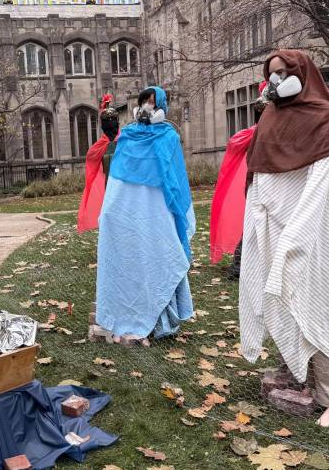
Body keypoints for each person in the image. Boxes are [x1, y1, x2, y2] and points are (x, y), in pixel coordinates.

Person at [239, 50, 329, 427]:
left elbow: (320, 183)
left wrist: (296, 234)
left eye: (284, 72)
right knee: (279, 301)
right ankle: (297, 370)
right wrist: (255, 221)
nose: (276, 80)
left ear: (303, 73)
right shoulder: (271, 114)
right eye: (271, 73)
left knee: (315, 304)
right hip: (269, 224)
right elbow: (258, 171)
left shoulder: (323, 114)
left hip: (305, 231)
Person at [94, 87, 195, 345]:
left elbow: (175, 180)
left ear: (162, 107)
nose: (148, 108)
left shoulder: (169, 137)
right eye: (144, 103)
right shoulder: (127, 136)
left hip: (158, 212)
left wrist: (176, 213)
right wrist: (111, 212)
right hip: (130, 214)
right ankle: (123, 314)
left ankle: (161, 320)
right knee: (130, 260)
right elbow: (118, 178)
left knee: (158, 257)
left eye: (153, 103)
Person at [209, 81, 269, 278]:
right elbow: (236, 143)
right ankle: (240, 264)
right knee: (252, 220)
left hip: (274, 180)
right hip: (257, 180)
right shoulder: (252, 135)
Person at [78, 94, 122, 233]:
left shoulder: (125, 142)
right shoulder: (98, 148)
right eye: (107, 123)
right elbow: (92, 161)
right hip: (108, 186)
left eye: (112, 122)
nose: (110, 126)